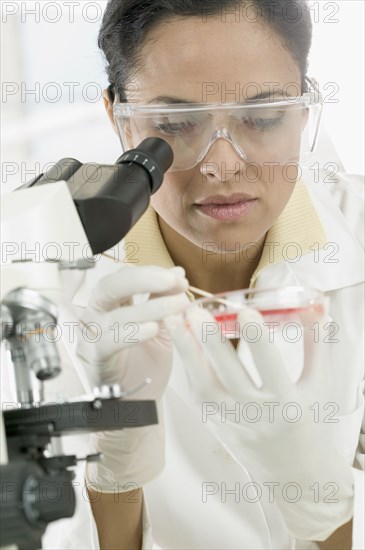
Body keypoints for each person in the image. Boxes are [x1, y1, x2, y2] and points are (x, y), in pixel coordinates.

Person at [68, 1, 364, 549]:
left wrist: (323, 507)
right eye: (176, 124)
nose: (223, 163)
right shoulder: (47, 294)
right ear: (117, 118)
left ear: (303, 110)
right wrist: (114, 478)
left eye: (264, 115)